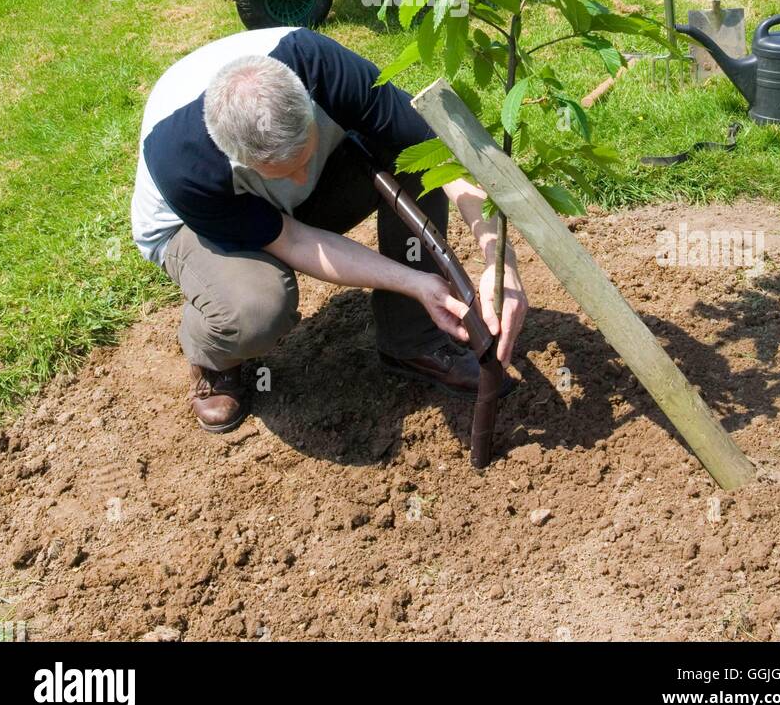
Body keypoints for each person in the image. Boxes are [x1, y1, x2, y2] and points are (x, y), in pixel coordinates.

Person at [131, 27, 527, 432]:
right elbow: (295, 240)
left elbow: (443, 156)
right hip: (193, 224)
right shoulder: (187, 164)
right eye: (285, 172)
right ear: (240, 158)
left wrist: (499, 258)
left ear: (307, 100)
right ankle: (214, 354)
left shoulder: (323, 66)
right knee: (256, 311)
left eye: (305, 157)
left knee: (412, 159)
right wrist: (412, 281)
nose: (302, 180)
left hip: (280, 184)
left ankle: (413, 340)